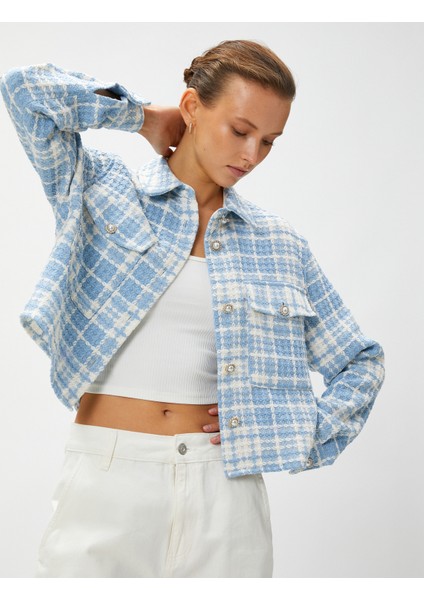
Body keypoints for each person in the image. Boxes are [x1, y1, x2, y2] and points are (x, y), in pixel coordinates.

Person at [0, 39, 385, 578]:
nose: (252, 155)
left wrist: (294, 431)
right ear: (192, 107)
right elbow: (23, 91)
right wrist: (139, 117)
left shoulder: (277, 244)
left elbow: (361, 361)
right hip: (108, 477)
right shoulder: (101, 188)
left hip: (224, 493)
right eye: (240, 130)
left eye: (269, 141)